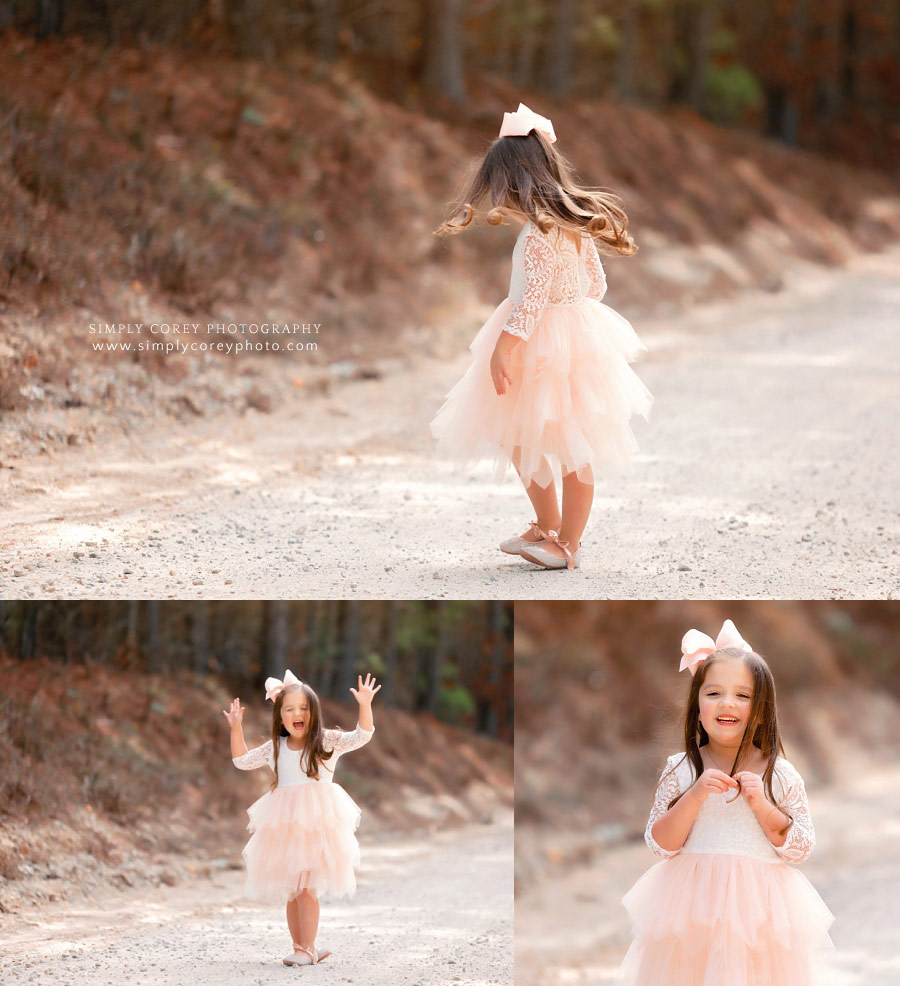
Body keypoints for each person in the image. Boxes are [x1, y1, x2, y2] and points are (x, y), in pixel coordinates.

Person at [430, 102, 652, 570]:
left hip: (536, 340)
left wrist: (504, 348)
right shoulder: (575, 226)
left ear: (514, 184)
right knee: (572, 442)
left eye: (499, 189)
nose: (498, 200)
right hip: (579, 334)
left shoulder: (535, 235)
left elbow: (530, 300)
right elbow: (597, 285)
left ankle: (559, 539)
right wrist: (571, 309)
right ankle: (554, 532)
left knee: (520, 434)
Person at [617, 620, 834, 985]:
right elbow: (660, 843)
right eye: (713, 693)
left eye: (743, 695)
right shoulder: (681, 769)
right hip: (691, 913)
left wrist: (763, 805)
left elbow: (799, 847)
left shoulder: (779, 775)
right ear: (697, 706)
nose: (726, 703)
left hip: (761, 917)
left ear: (762, 710)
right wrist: (695, 795)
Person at [224, 670, 380, 967]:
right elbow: (241, 761)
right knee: (293, 892)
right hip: (284, 827)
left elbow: (363, 735)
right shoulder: (276, 747)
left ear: (314, 713)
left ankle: (306, 949)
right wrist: (236, 728)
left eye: (304, 708)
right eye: (289, 709)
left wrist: (365, 704)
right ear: (279, 716)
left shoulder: (326, 742)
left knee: (307, 890)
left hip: (318, 826)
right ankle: (301, 947)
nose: (297, 714)